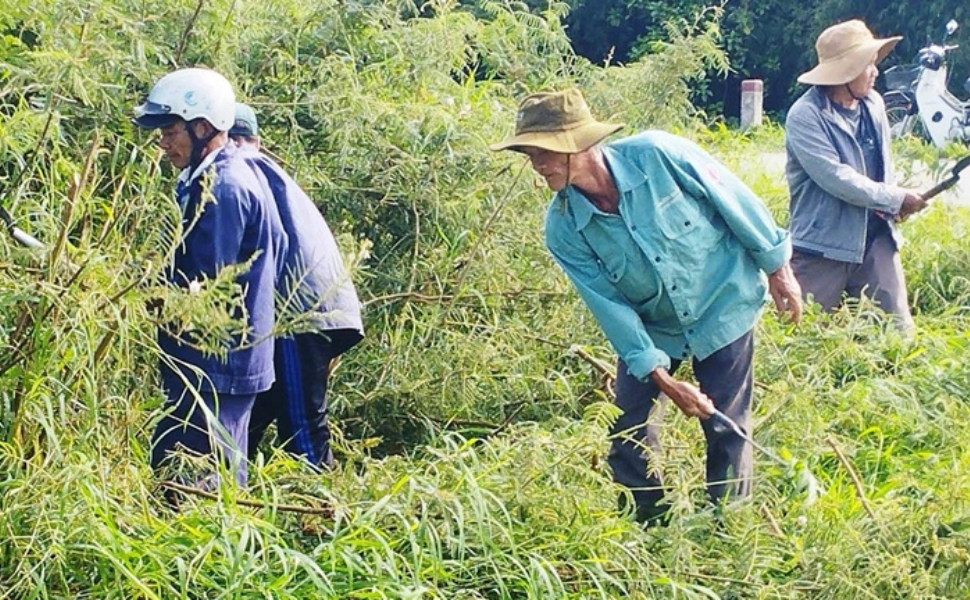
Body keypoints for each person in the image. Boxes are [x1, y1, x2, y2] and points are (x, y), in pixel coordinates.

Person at [490, 89, 802, 524]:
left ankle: (730, 527)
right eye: (530, 154)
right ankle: (650, 525)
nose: (536, 165)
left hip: (722, 298)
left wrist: (778, 269)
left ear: (579, 145)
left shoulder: (658, 155)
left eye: (543, 152)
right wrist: (661, 376)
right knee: (629, 428)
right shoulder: (562, 227)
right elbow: (609, 307)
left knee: (725, 421)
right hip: (655, 323)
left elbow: (734, 199)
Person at [133, 68, 288, 491]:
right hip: (217, 363)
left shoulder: (224, 188)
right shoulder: (220, 174)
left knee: (192, 481)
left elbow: (200, 291)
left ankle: (200, 556)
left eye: (170, 130)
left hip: (215, 365)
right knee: (203, 473)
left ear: (203, 127)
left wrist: (135, 295)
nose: (163, 142)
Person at [229, 101, 365, 468]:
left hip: (297, 313)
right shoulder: (263, 169)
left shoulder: (237, 170)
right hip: (314, 308)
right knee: (248, 419)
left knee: (301, 426)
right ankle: (233, 505)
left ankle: (318, 510)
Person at [785, 20, 927, 331]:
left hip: (875, 240)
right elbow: (836, 178)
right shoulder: (805, 116)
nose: (875, 71)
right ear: (845, 72)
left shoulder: (874, 105)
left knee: (897, 336)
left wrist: (894, 206)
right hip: (822, 247)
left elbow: (881, 168)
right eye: (867, 64)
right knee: (802, 335)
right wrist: (896, 198)